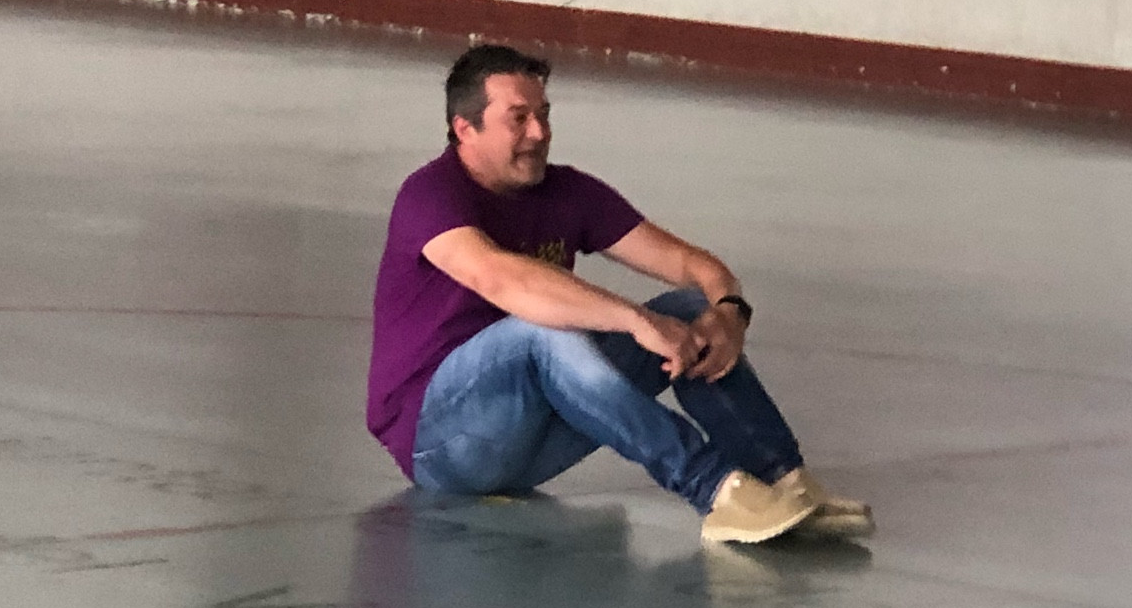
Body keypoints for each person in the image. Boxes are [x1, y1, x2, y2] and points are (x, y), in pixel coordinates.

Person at [366, 44, 873, 547]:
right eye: (518, 119)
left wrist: (729, 310)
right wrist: (634, 319)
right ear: (465, 129)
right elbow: (504, 280)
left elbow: (690, 266)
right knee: (541, 334)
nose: (539, 133)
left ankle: (785, 484)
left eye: (544, 115)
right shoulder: (429, 194)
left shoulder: (567, 192)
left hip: (531, 439)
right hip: (441, 445)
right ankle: (716, 491)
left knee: (690, 312)